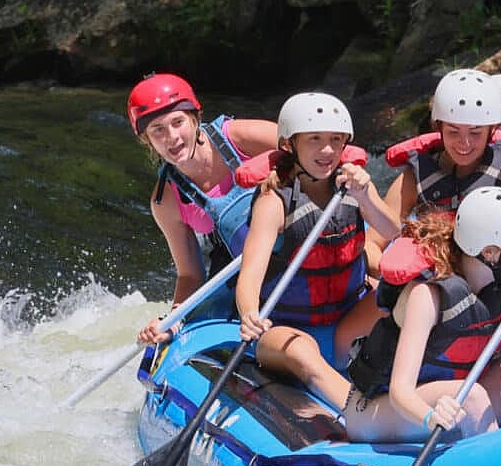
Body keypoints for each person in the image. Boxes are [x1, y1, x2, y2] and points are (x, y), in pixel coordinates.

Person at [344, 187, 501, 442]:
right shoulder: (429, 294)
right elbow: (401, 391)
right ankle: (500, 464)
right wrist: (429, 417)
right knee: (472, 396)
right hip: (379, 409)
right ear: (490, 252)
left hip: (453, 398)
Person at [235, 93, 400, 409]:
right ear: (290, 144)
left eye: (335, 139)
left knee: (409, 298)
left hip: (345, 323)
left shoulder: (354, 186)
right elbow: (251, 275)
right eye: (314, 139)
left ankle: (416, 393)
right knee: (302, 351)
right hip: (285, 330)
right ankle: (362, 415)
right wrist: (249, 314)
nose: (327, 150)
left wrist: (365, 196)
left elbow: (393, 232)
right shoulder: (274, 202)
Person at [127, 73, 278, 345]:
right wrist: (171, 322)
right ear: (146, 140)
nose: (172, 137)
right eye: (157, 130)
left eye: (178, 122)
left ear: (195, 118)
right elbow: (190, 275)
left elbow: (306, 149)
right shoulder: (165, 201)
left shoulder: (237, 136)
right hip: (246, 277)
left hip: (303, 243)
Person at [366, 68, 501, 275]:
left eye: (475, 132)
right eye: (453, 131)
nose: (464, 143)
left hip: (491, 282)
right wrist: (390, 280)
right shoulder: (415, 176)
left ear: (492, 129)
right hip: (433, 282)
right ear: (439, 127)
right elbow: (372, 243)